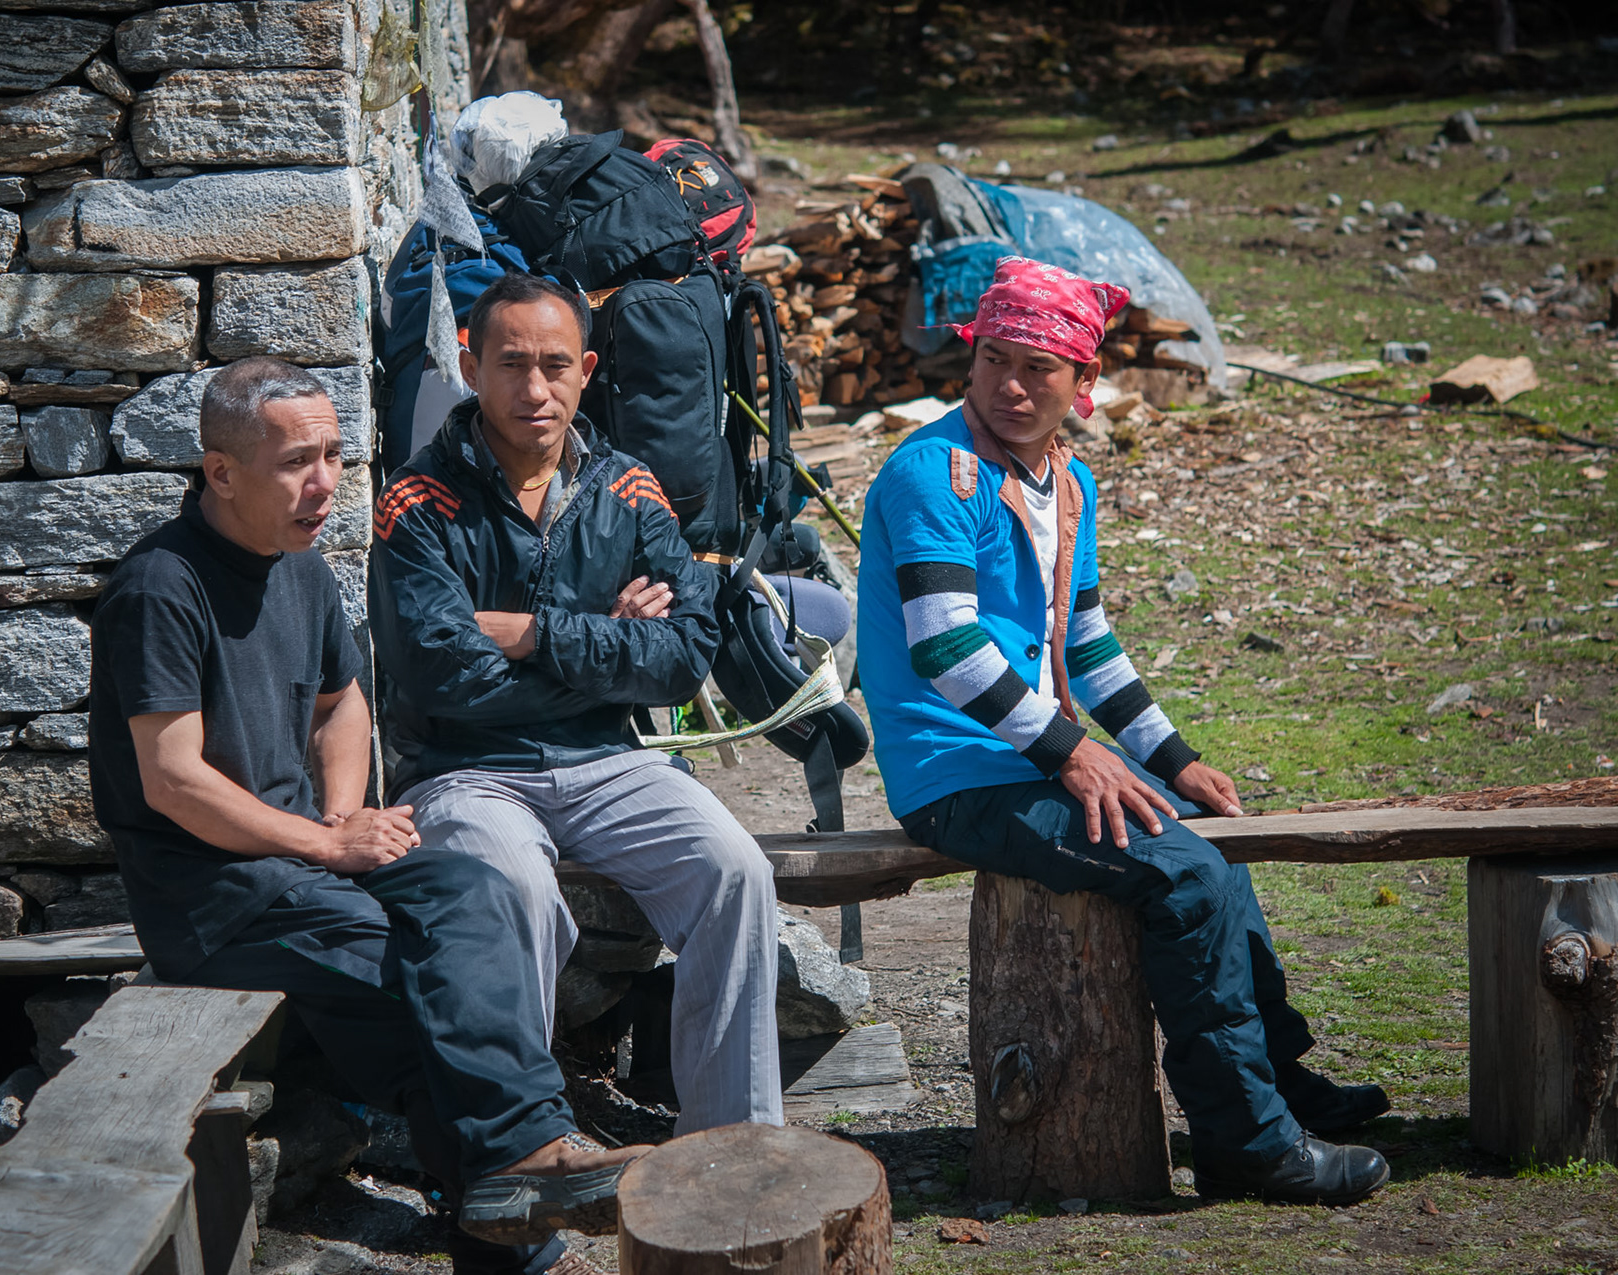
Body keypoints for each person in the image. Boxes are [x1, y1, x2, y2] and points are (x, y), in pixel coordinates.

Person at [87, 356, 644, 1272]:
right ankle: (516, 1194)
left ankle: (518, 1170)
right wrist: (327, 842)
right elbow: (172, 781)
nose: (325, 484)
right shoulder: (160, 588)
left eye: (336, 456)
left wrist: (347, 821)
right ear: (220, 473)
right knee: (426, 992)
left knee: (477, 888)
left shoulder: (296, 566)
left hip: (305, 862)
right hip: (214, 894)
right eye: (296, 461)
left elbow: (343, 699)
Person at [856, 258, 1392, 1206]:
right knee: (1184, 878)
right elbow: (945, 646)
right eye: (996, 362)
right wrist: (1073, 750)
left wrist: (1174, 760)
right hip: (957, 776)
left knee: (1214, 846)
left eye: (1040, 369)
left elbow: (1088, 638)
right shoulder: (930, 473)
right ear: (970, 361)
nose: (1013, 385)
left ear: (1082, 384)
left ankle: (1279, 1082)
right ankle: (1248, 1143)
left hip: (1028, 758)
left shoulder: (1068, 485)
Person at [369, 272, 783, 1135]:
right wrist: (605, 639)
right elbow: (446, 678)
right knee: (512, 888)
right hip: (465, 772)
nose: (534, 388)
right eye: (511, 364)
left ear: (587, 368)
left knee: (734, 871)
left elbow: (681, 660)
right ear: (468, 364)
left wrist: (528, 632)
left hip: (607, 760)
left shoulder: (629, 488)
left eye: (555, 364)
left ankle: (734, 1146)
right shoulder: (416, 504)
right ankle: (522, 1147)